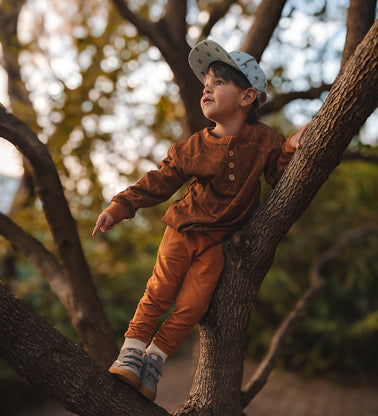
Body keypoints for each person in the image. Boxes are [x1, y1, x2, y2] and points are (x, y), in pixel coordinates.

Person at [92, 39, 309, 401]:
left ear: (247, 97)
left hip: (219, 241)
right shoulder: (193, 146)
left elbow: (279, 175)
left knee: (194, 305)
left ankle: (154, 360)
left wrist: (290, 147)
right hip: (183, 230)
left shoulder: (265, 140)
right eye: (206, 83)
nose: (206, 87)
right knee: (160, 292)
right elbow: (159, 181)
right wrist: (120, 206)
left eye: (219, 82)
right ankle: (131, 353)